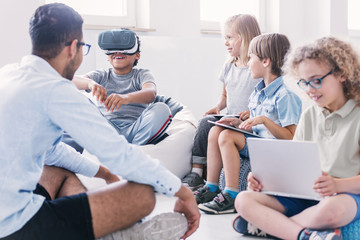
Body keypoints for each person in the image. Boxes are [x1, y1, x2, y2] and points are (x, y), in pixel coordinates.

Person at [0, 3, 199, 240]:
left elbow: (52, 152)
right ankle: (115, 235)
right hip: (14, 226)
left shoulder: (8, 73)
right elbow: (120, 155)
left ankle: (99, 232)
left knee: (58, 171)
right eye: (84, 47)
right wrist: (182, 191)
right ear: (74, 47)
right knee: (143, 194)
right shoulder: (56, 89)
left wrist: (104, 174)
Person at [235, 36, 360, 239]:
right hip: (309, 195)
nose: (310, 90)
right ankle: (303, 235)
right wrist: (264, 181)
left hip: (347, 194)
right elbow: (295, 165)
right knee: (243, 199)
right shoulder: (310, 115)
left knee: (334, 209)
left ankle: (270, 226)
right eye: (303, 83)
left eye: (316, 80)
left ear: (342, 74)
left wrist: (337, 185)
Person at [196, 33, 302, 214]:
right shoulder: (258, 92)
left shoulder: (285, 96)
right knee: (216, 130)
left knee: (227, 137)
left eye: (251, 57)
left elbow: (291, 138)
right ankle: (212, 188)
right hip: (257, 142)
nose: (248, 62)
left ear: (266, 61)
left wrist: (264, 120)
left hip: (274, 151)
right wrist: (239, 123)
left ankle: (231, 194)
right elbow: (256, 126)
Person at [182, 14, 262, 190]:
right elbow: (225, 96)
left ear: (246, 37)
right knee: (204, 123)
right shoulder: (228, 65)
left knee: (217, 131)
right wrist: (218, 107)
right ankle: (197, 171)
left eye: (230, 37)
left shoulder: (257, 68)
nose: (226, 42)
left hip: (249, 121)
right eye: (225, 38)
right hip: (231, 118)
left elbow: (264, 100)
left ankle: (216, 181)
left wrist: (250, 112)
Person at [64, 28, 172, 153]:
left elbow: (151, 93)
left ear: (137, 55)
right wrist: (90, 83)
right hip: (106, 129)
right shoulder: (102, 75)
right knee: (78, 101)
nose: (117, 52)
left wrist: (126, 98)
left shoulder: (142, 74)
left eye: (123, 49)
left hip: (135, 129)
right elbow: (69, 81)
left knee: (162, 108)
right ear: (107, 57)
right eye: (113, 50)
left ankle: (133, 151)